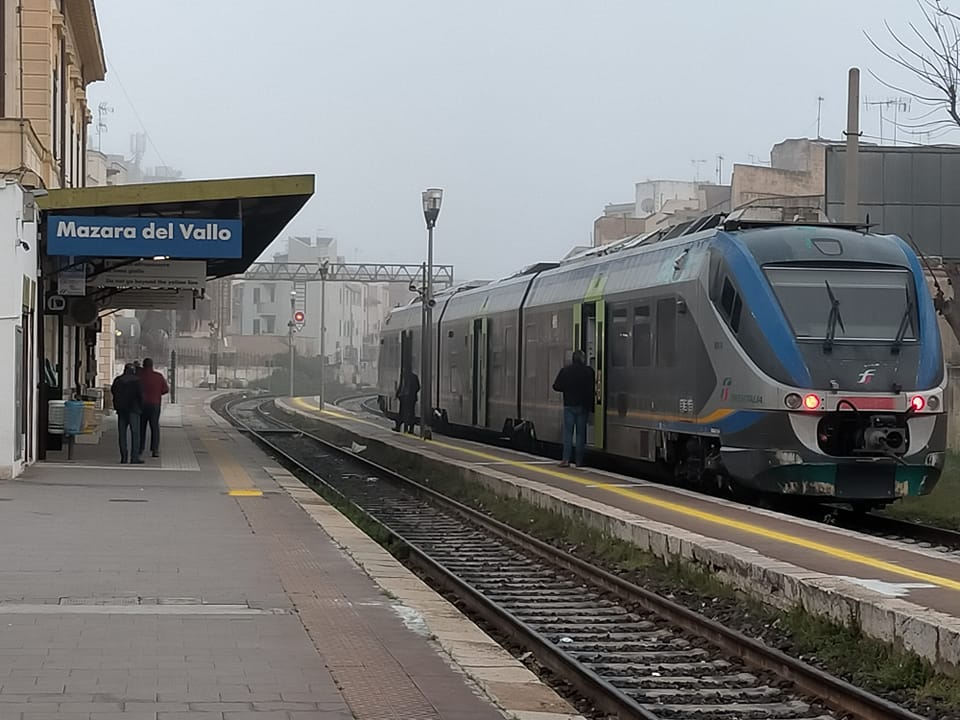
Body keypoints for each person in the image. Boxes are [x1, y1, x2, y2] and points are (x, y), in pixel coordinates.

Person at [552, 349, 595, 468]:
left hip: (569, 406)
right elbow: (593, 389)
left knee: (568, 434)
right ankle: (579, 461)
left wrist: (567, 389)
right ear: (583, 359)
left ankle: (566, 460)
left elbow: (556, 386)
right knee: (581, 434)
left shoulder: (565, 371)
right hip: (582, 407)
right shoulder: (589, 371)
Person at [111, 363, 144, 464]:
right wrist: (140, 407)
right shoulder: (137, 381)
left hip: (121, 410)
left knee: (122, 434)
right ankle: (134, 457)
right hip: (134, 410)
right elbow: (141, 395)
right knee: (135, 434)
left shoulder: (118, 380)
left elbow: (113, 392)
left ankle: (123, 457)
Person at [138, 357, 169, 458]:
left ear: (143, 365)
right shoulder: (158, 376)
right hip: (155, 405)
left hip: (141, 405)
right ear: (152, 365)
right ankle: (155, 450)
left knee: (141, 427)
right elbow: (165, 390)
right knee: (154, 427)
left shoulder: (139, 376)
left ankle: (140, 448)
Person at [394, 369, 420, 434]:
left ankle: (401, 427)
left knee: (403, 413)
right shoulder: (413, 377)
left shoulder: (404, 377)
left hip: (406, 397)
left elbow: (400, 386)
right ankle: (409, 429)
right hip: (407, 398)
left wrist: (398, 394)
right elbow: (418, 387)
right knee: (410, 414)